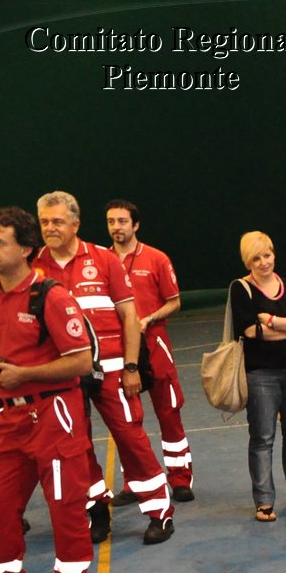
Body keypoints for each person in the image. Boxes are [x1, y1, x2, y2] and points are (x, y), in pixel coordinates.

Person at [0, 206, 96, 573]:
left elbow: (81, 362)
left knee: (66, 507)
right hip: (9, 420)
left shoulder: (51, 296)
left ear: (25, 249)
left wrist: (25, 375)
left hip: (54, 414)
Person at [35, 190, 175, 546]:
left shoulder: (103, 259)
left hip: (113, 370)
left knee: (131, 438)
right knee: (75, 446)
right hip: (64, 377)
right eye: (44, 222)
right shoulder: (35, 267)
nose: (50, 228)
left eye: (58, 221)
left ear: (75, 224)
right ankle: (97, 508)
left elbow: (130, 315)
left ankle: (160, 511)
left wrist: (131, 367)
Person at [105, 199, 193, 502]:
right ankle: (135, 482)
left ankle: (180, 478)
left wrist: (148, 319)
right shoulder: (102, 262)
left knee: (169, 413)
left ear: (135, 224)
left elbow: (175, 301)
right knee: (128, 421)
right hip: (119, 349)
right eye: (111, 222)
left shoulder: (156, 258)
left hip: (154, 345)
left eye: (122, 221)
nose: (116, 227)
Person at [231, 230, 286, 521]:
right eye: (256, 258)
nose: (263, 262)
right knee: (263, 437)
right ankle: (264, 500)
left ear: (274, 254)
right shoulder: (241, 289)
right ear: (247, 261)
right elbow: (250, 331)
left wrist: (273, 322)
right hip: (261, 374)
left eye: (266, 255)